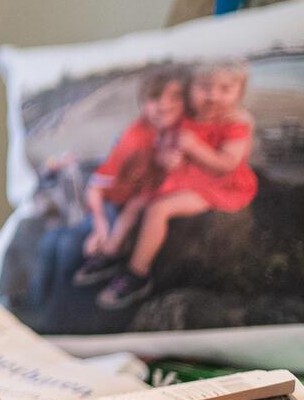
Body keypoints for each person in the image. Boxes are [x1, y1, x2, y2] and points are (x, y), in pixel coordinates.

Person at [99, 60, 258, 310]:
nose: (213, 95)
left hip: (218, 186)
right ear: (191, 88)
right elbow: (166, 151)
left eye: (225, 89)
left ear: (240, 93)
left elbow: (227, 164)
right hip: (185, 178)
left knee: (158, 209)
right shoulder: (186, 119)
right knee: (138, 200)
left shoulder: (235, 125)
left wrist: (195, 147)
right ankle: (110, 252)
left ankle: (137, 273)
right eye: (205, 87)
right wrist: (167, 159)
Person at [72, 67, 188, 288]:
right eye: (155, 97)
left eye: (174, 97)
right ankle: (111, 252)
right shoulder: (134, 139)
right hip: (115, 199)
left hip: (147, 193)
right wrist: (101, 226)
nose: (165, 104)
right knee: (129, 212)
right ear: (142, 104)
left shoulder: (179, 129)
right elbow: (95, 187)